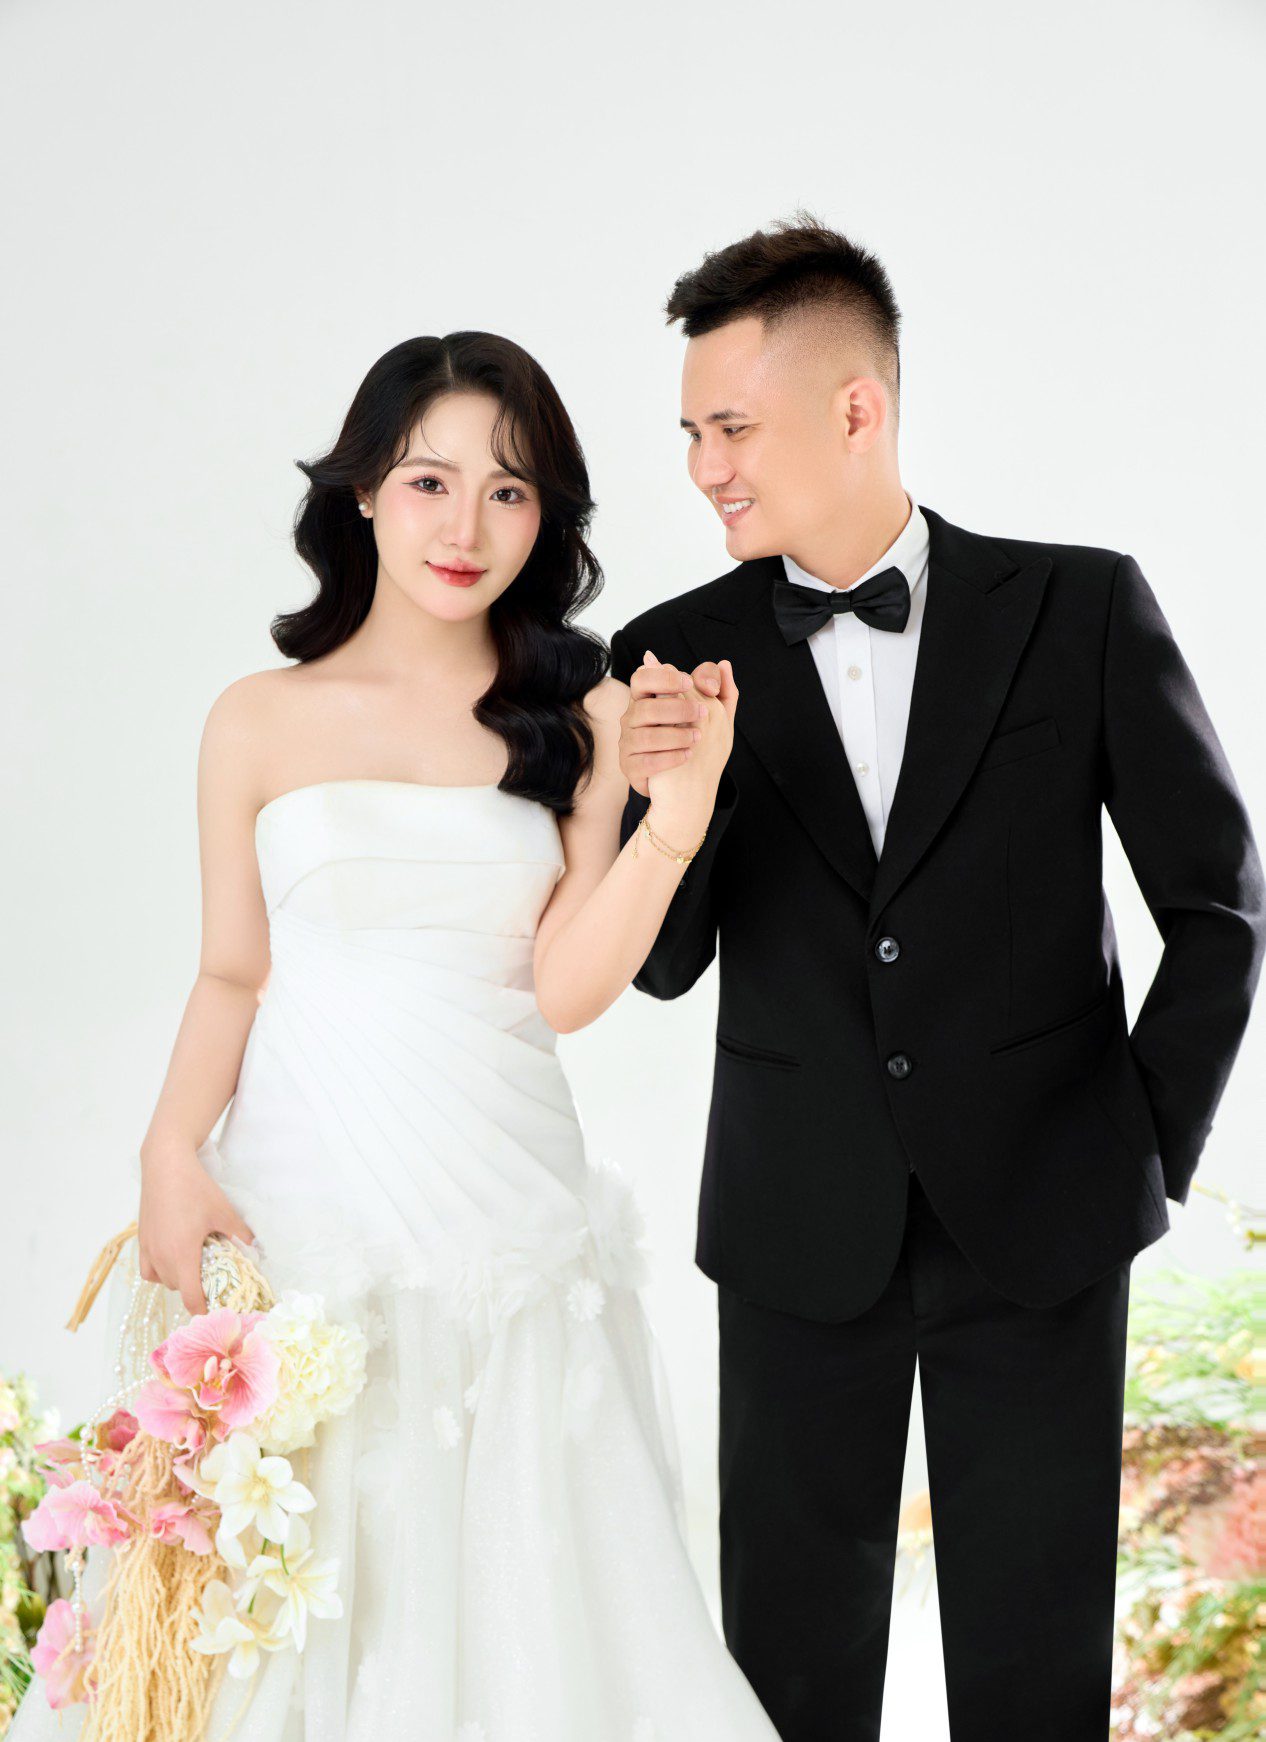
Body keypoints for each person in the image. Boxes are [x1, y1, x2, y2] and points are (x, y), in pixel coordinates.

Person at [9, 333, 780, 1741]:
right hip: (306, 1204)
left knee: (527, 1600)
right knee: (305, 1591)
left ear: (545, 520)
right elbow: (232, 969)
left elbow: (562, 987)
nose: (464, 525)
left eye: (509, 491)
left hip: (506, 1199)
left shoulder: (576, 717)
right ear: (364, 491)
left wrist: (670, 821)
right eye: (430, 481)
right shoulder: (257, 720)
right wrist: (169, 1151)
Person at [608, 215, 1266, 1742]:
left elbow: (1218, 904)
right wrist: (674, 800)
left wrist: (1136, 1145)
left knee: (1036, 1677)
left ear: (855, 407)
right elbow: (664, 964)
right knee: (783, 1680)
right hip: (794, 1225)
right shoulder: (670, 655)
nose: (704, 467)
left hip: (1043, 1217)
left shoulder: (1078, 607)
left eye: (730, 427)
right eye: (689, 434)